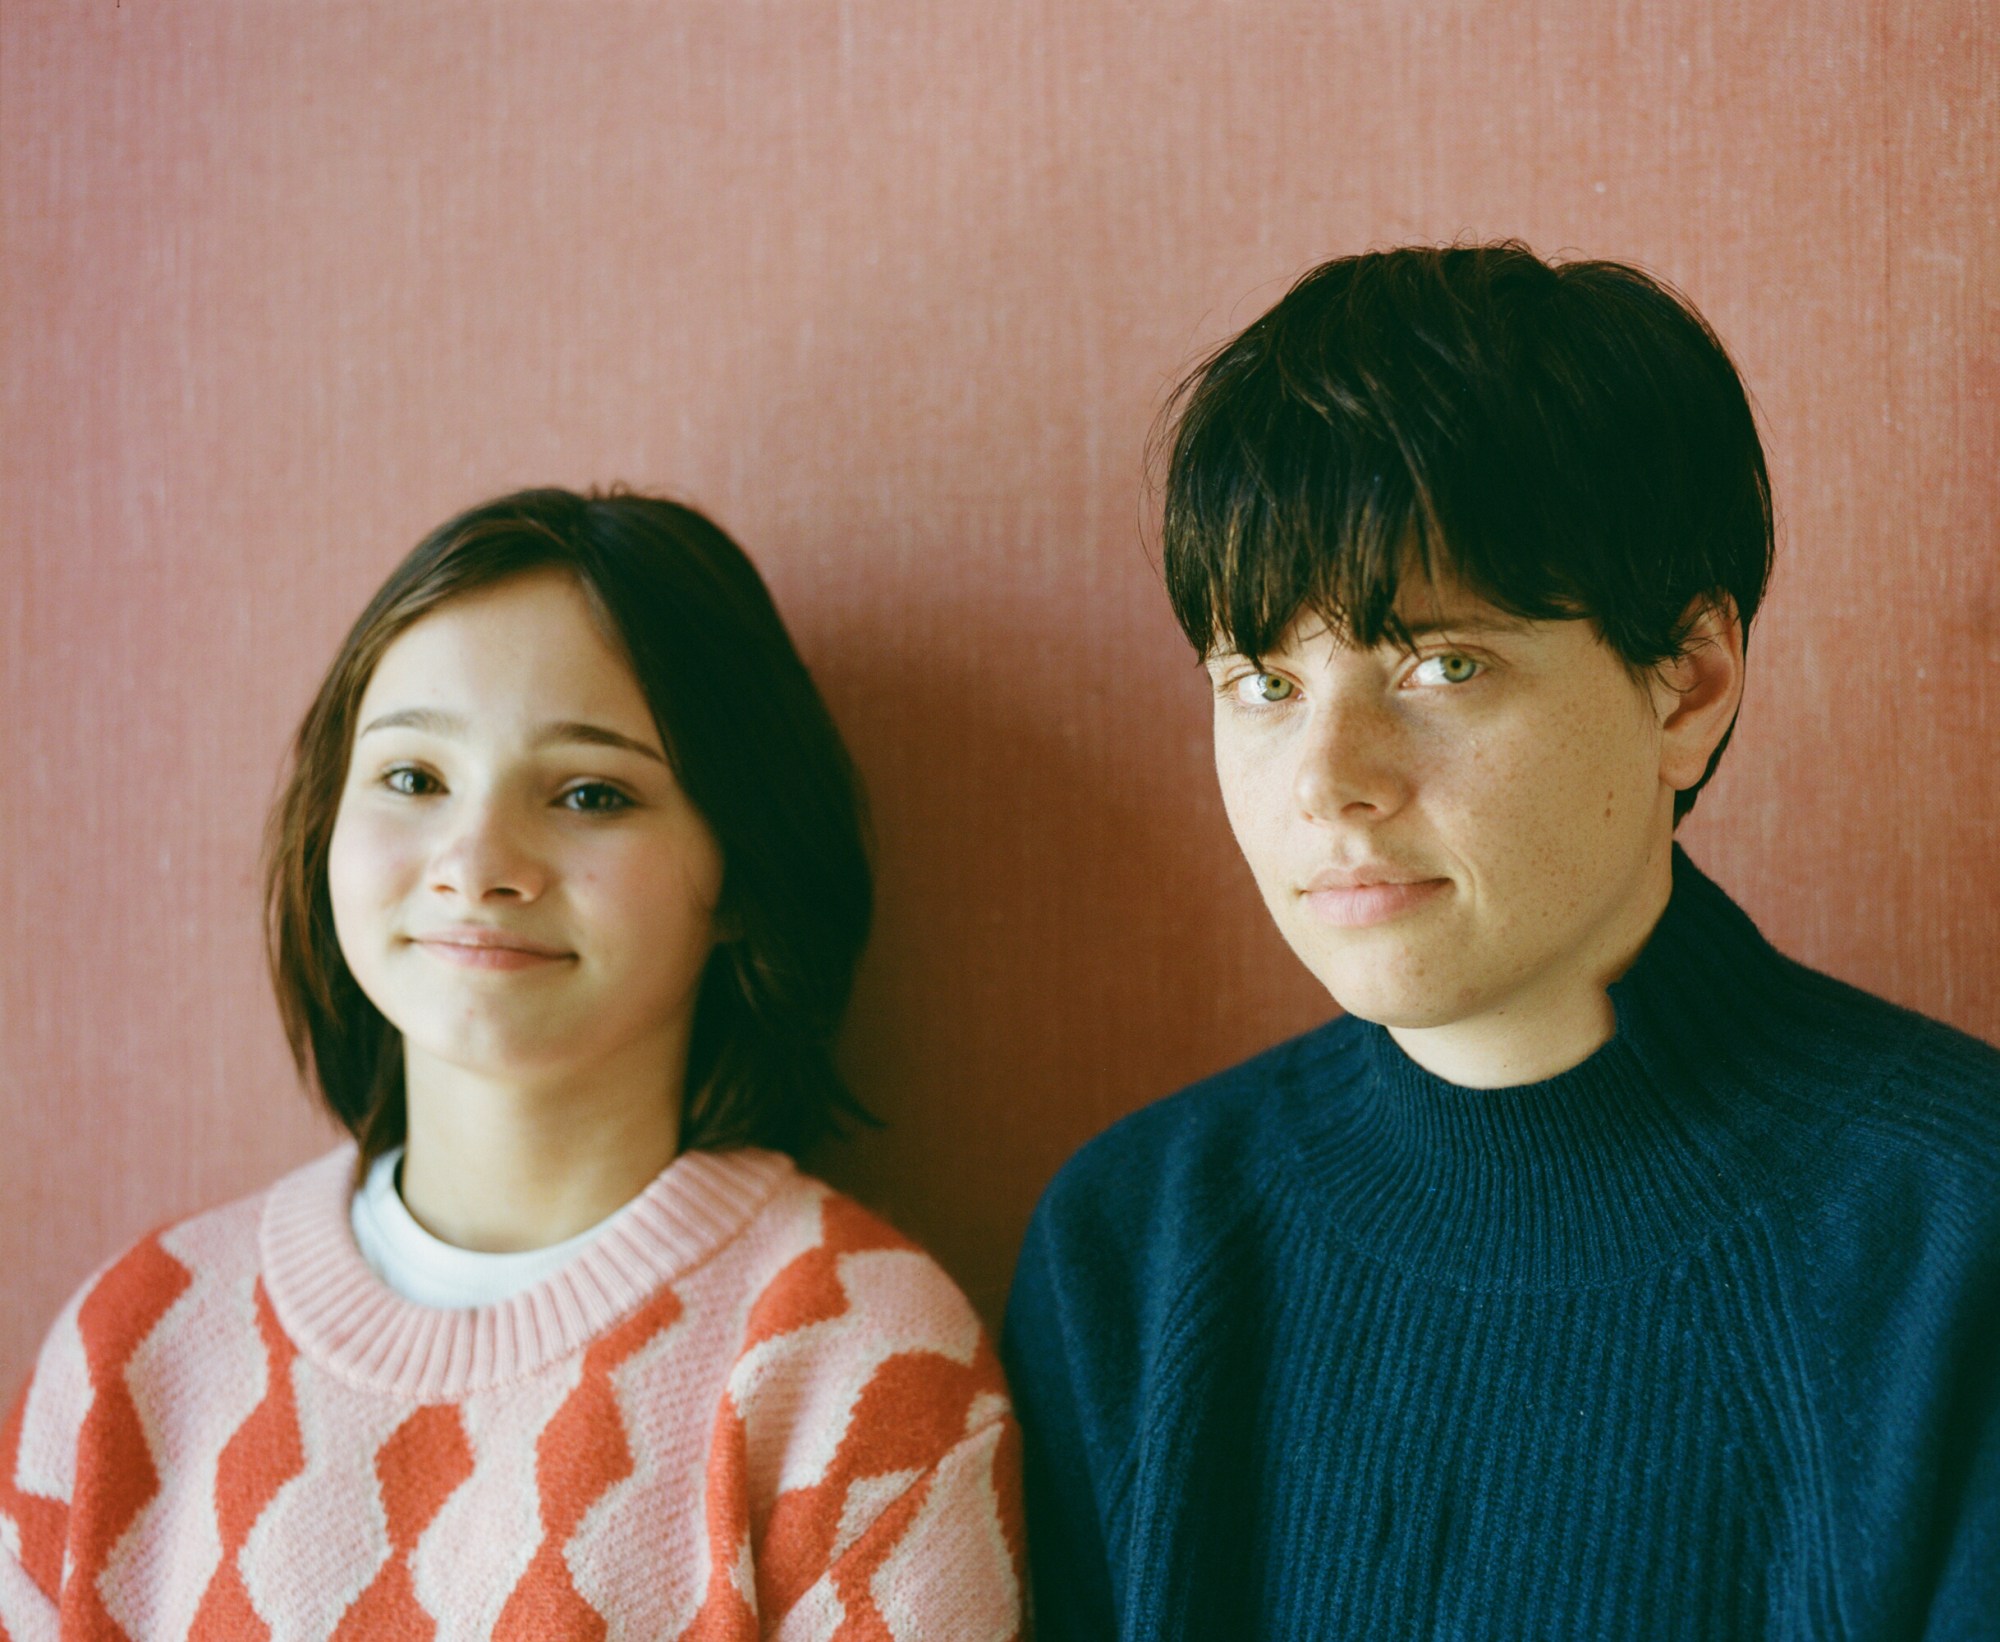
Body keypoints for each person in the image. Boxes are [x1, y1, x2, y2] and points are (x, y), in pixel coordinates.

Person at [1003, 244, 1999, 1638]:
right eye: (1263, 682)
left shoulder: (1953, 1239)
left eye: (1441, 664)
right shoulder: (1137, 1245)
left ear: (1688, 686)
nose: (1328, 778)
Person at [0, 489, 1022, 1638]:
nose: (477, 862)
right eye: (414, 778)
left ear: (739, 869)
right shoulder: (135, 1342)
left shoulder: (853, 1360)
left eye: (591, 794)